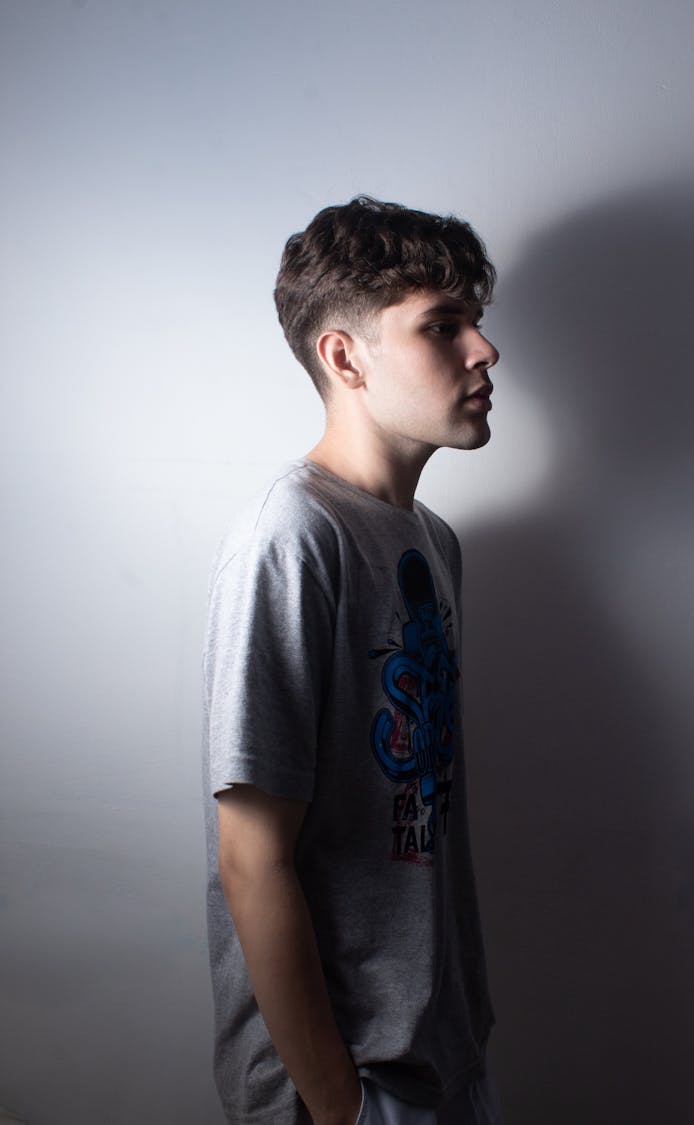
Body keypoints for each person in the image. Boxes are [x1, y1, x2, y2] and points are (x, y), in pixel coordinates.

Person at [203, 196, 503, 1125]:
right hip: (346, 1085)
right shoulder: (291, 538)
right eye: (442, 327)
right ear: (344, 356)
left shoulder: (434, 541)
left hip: (443, 1060)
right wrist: (339, 1105)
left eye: (476, 323)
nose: (484, 351)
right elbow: (252, 858)